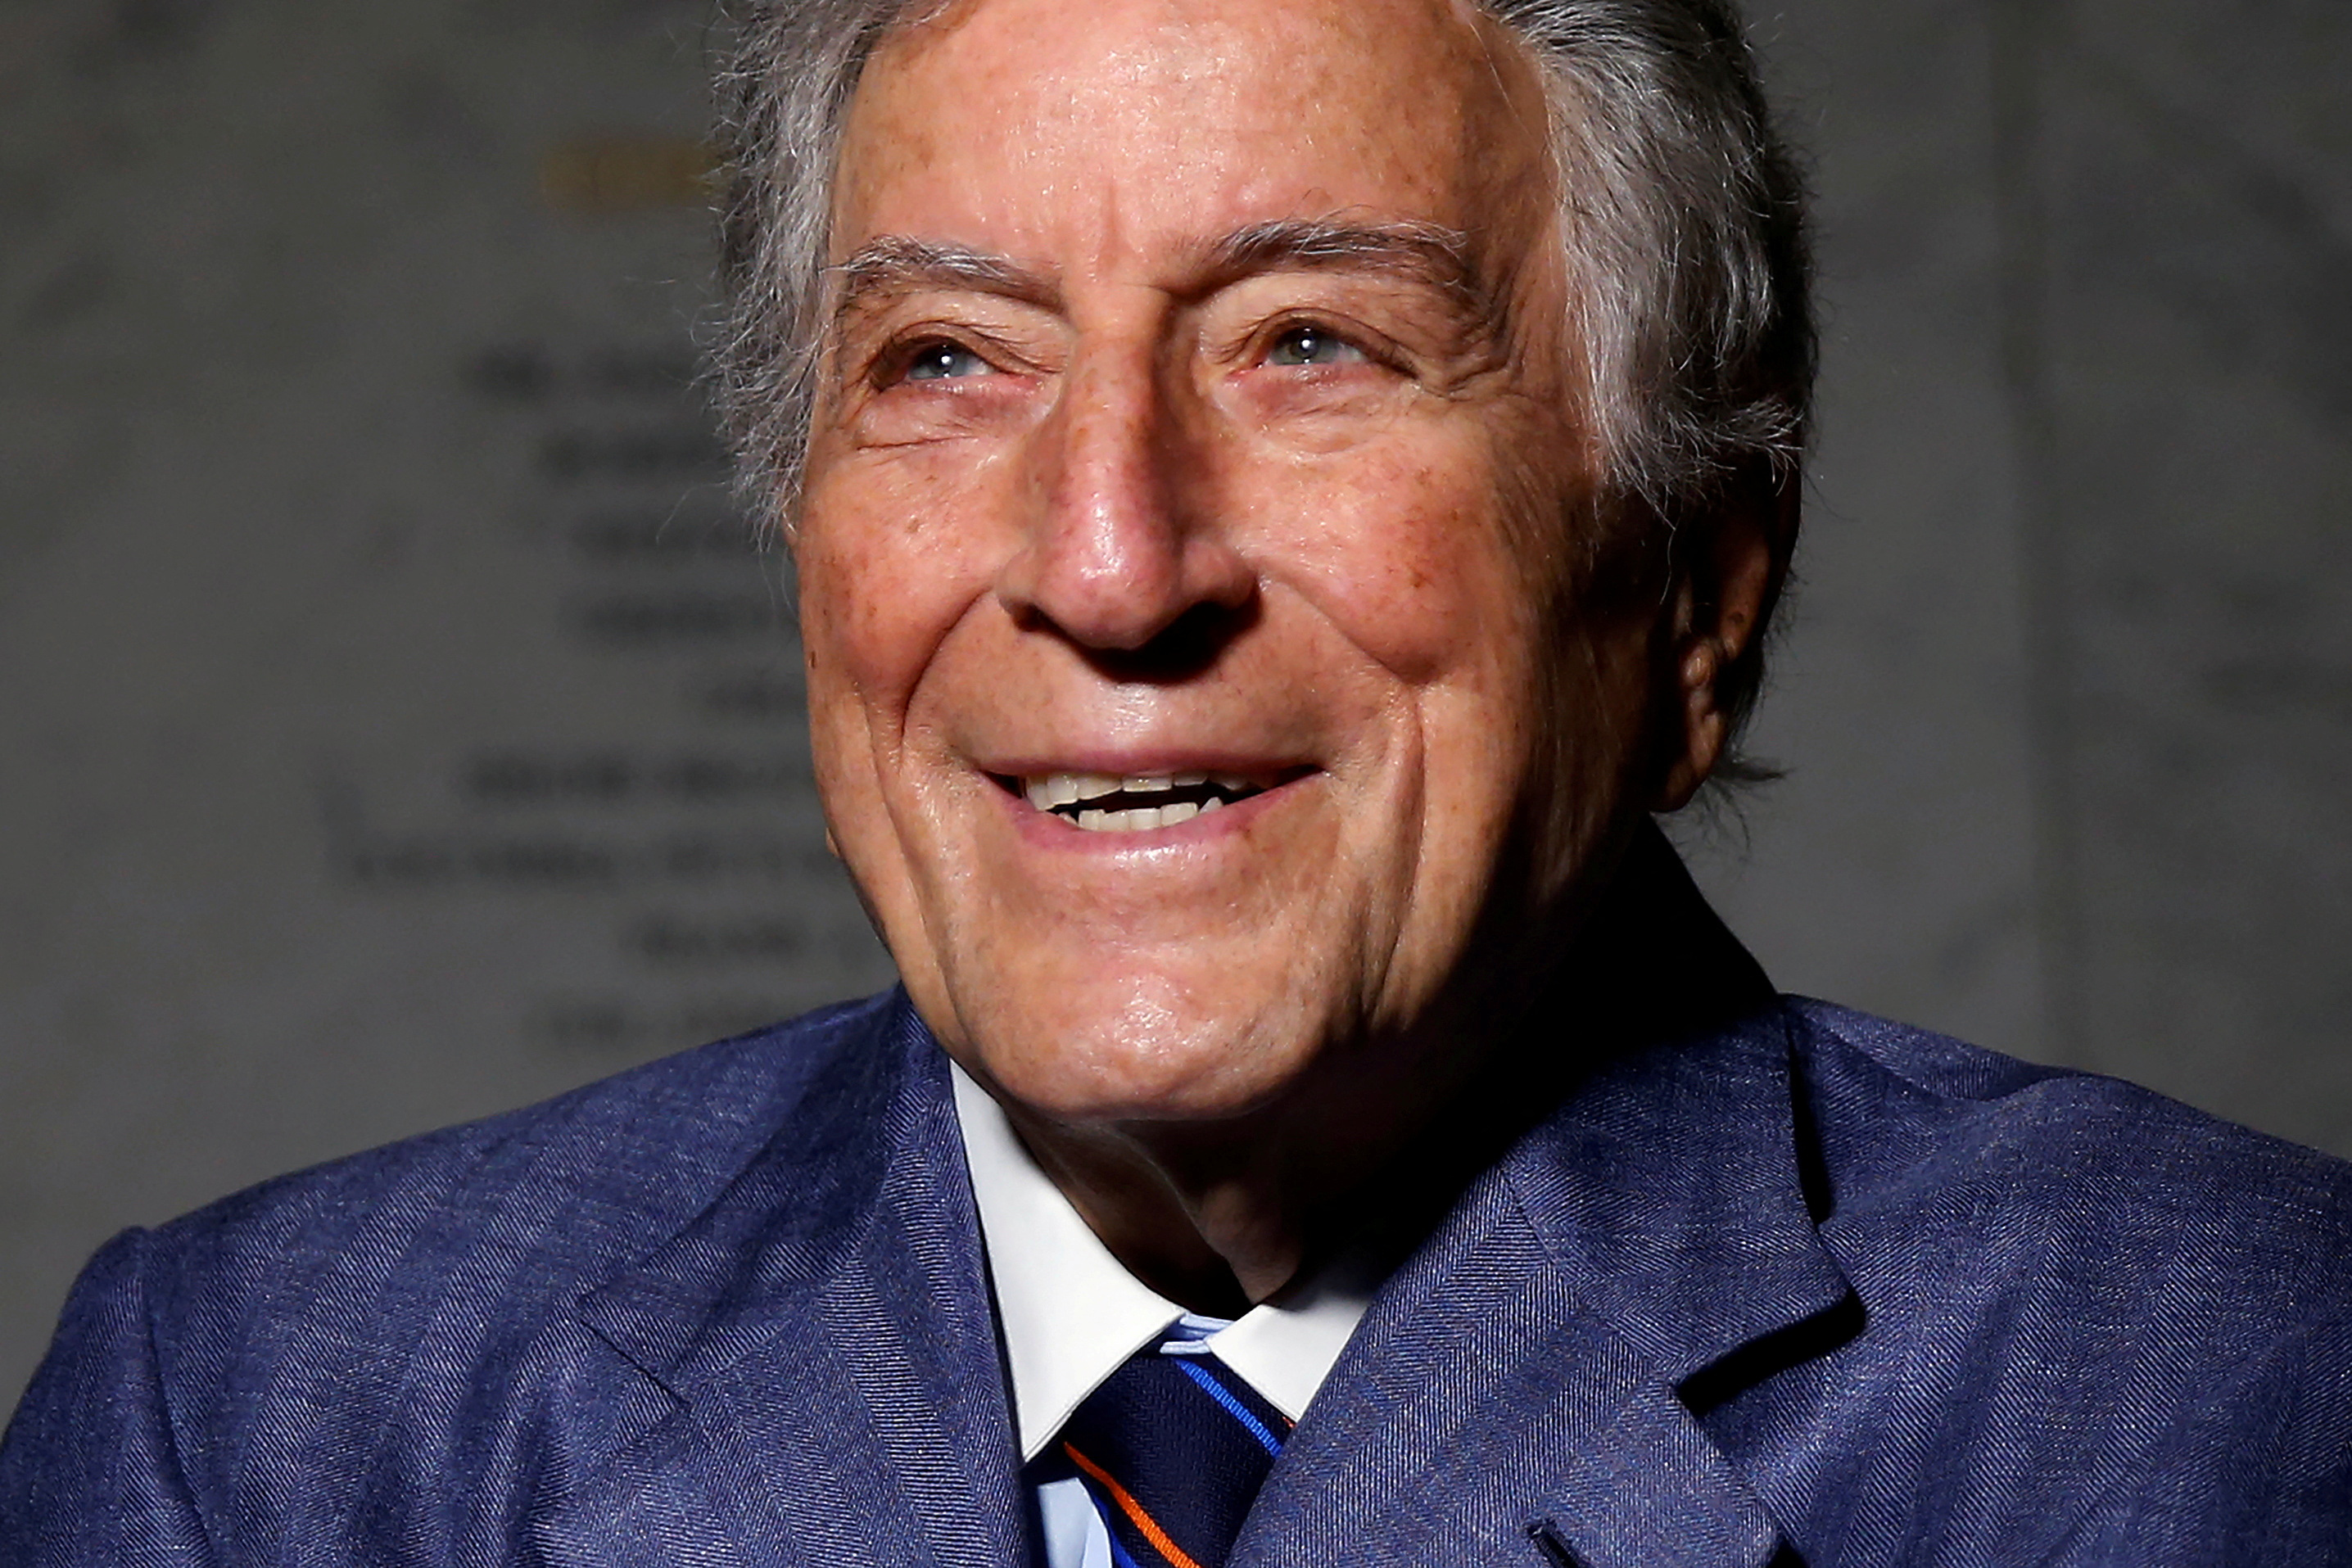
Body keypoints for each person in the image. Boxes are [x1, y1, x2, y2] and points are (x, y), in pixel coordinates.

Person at [7, 0, 2350, 1561]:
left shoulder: (2211, 1396)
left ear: (1699, 595)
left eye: (1309, 340)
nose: (1109, 561)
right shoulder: (262, 1428)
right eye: (946, 360)